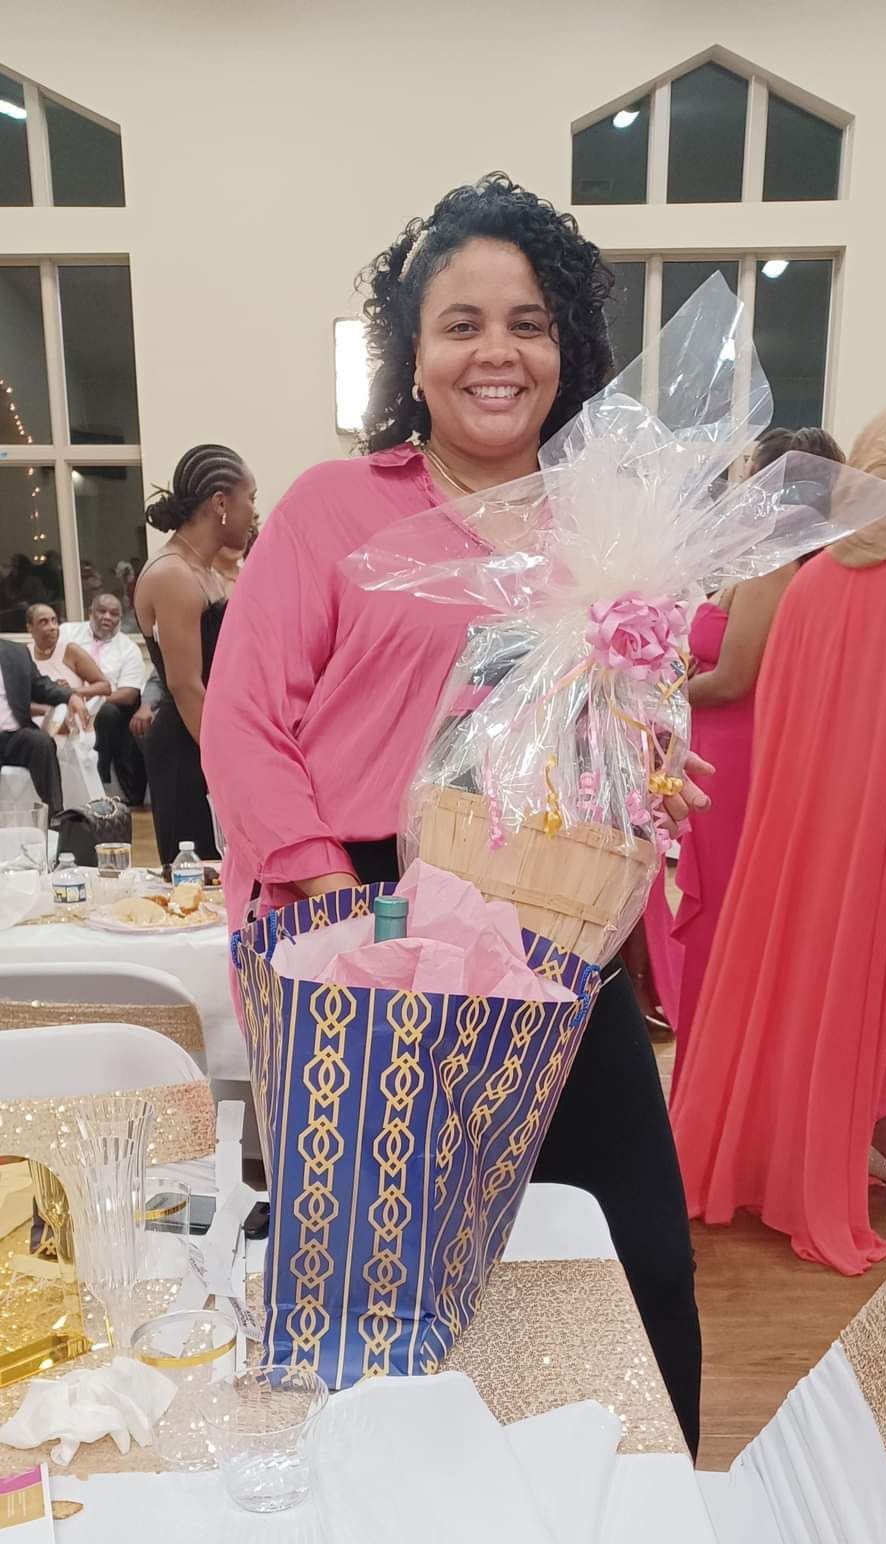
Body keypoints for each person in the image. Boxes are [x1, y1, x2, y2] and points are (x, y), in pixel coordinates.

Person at [203, 174, 715, 1455]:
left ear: (566, 349)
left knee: (637, 1240)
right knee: (393, 1258)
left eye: (529, 322)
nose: (497, 350)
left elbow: (622, 729)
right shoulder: (334, 507)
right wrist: (323, 887)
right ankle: (395, 1518)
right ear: (414, 356)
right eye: (462, 323)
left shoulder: (612, 529)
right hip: (367, 916)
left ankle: (644, 1522)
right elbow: (245, 719)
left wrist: (653, 774)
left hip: (551, 922)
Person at [672, 401, 886, 1275]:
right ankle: (867, 1142)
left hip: (802, 824)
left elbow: (770, 709)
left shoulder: (818, 580)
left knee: (804, 975)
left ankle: (801, 1144)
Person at [667, 425, 845, 1081]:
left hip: (735, 756)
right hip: (735, 749)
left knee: (725, 921)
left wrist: (663, 687)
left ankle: (713, 1081)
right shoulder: (796, 561)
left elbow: (737, 678)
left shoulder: (777, 562)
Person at [133, 444, 257, 867]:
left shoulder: (204, 570)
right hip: (188, 746)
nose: (253, 512)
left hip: (210, 734)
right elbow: (185, 685)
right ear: (221, 503)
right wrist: (231, 769)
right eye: (250, 498)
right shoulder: (173, 575)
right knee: (200, 877)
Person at [62, 591, 148, 805]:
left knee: (106, 713)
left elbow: (129, 694)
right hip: (63, 701)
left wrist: (90, 701)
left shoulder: (128, 648)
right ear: (91, 612)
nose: (107, 617)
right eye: (102, 611)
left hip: (106, 707)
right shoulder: (68, 634)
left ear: (120, 618)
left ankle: (98, 783)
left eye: (114, 614)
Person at [0, 635, 89, 813]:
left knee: (41, 742)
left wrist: (70, 696)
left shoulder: (15, 653)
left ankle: (56, 818)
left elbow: (40, 686)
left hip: (16, 736)